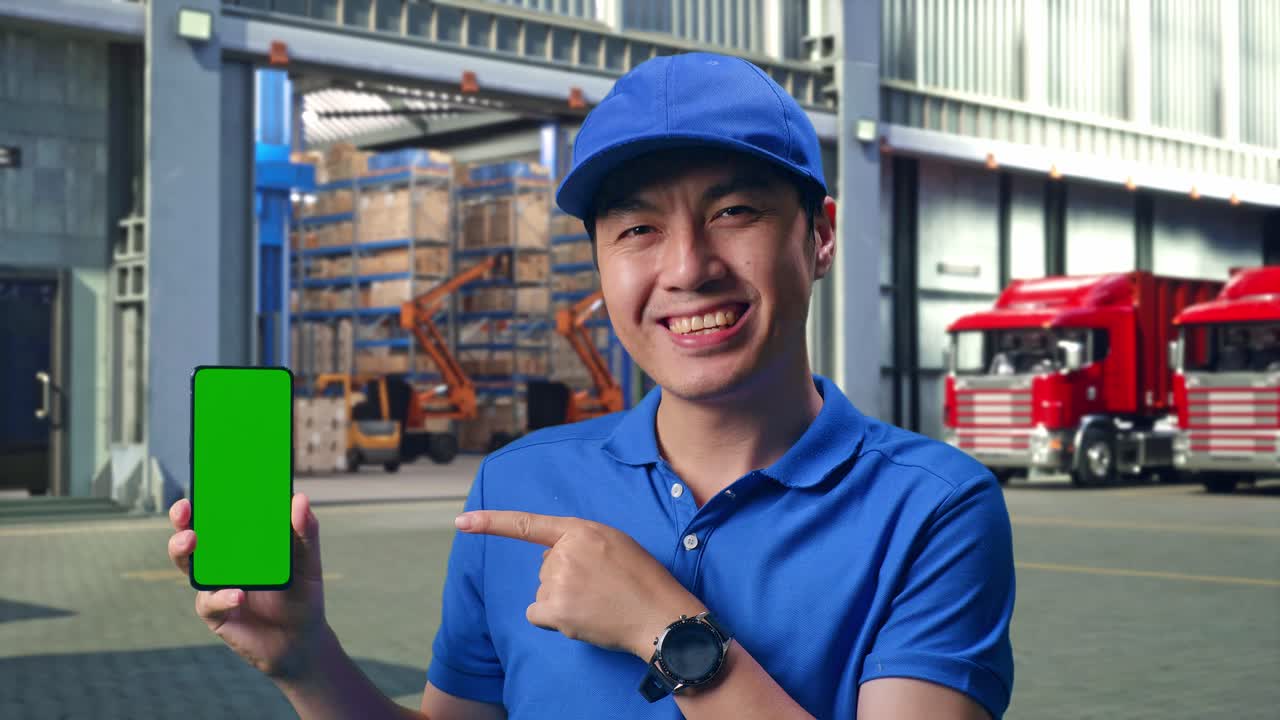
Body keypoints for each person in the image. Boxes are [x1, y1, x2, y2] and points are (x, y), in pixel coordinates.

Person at [166, 51, 1015, 719]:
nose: (687, 268)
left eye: (734, 213)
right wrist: (309, 663)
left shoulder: (933, 509)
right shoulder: (519, 486)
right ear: (603, 265)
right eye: (638, 228)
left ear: (820, 237)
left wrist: (668, 632)